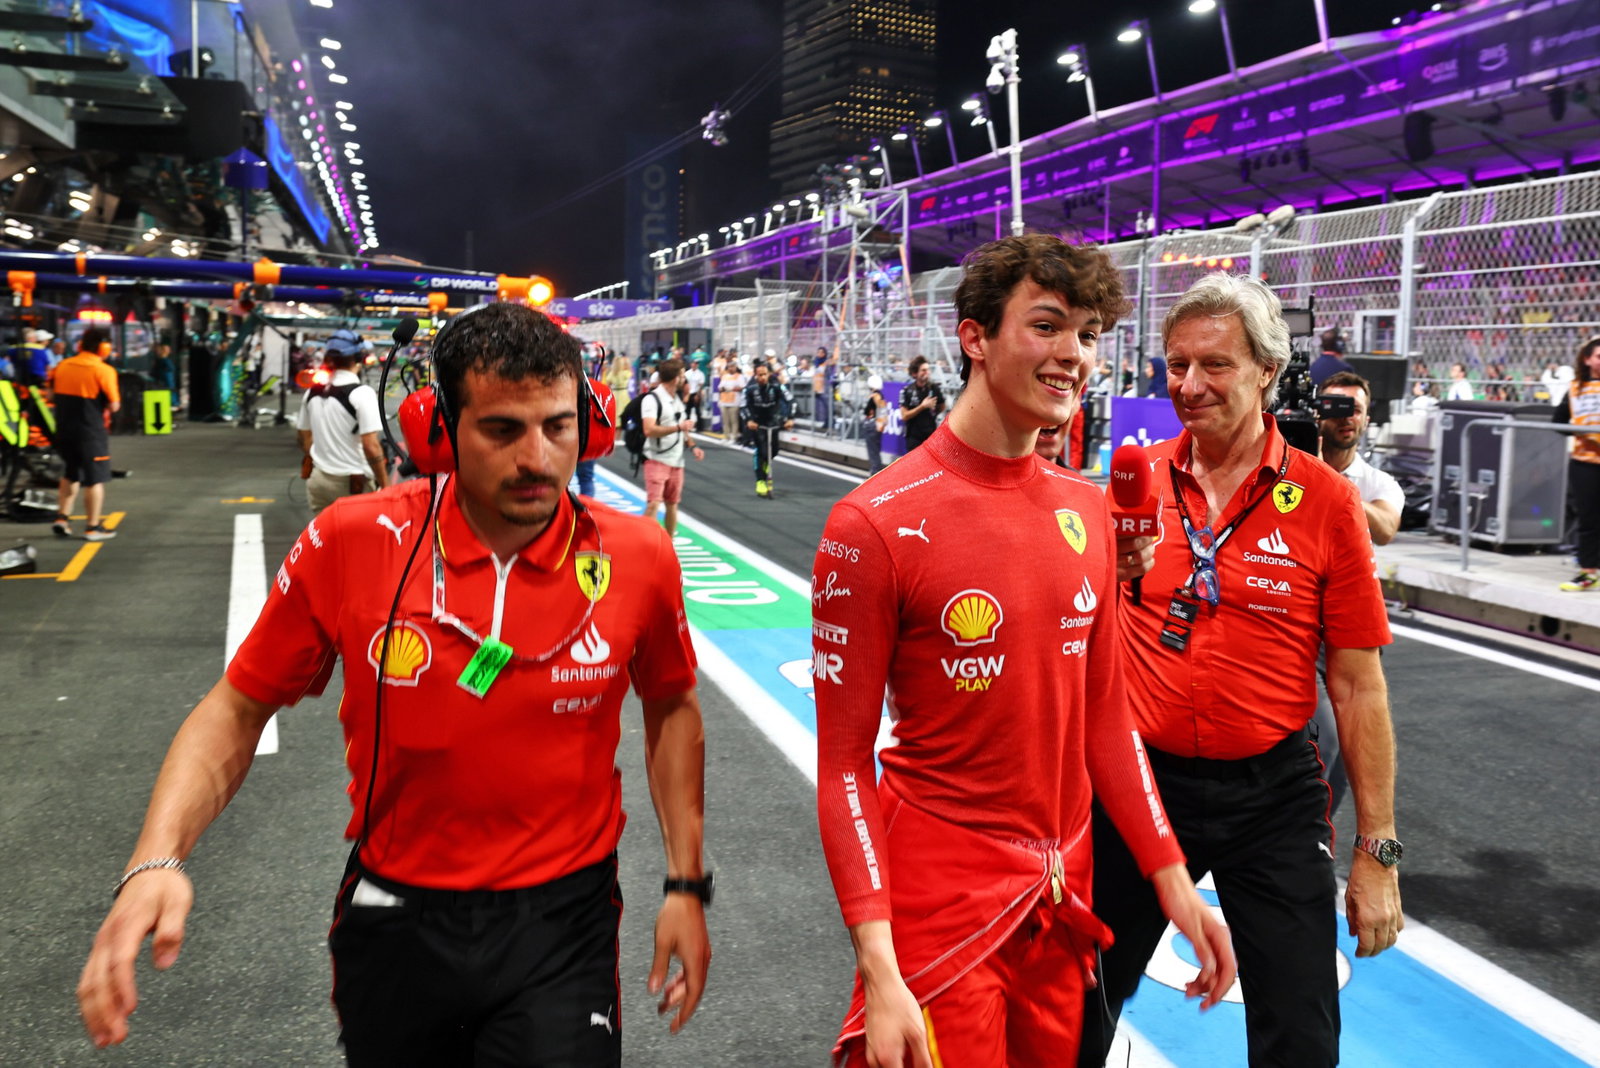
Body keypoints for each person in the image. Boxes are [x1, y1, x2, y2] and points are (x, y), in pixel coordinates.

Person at [76, 301, 711, 1061]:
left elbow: (672, 709)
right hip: (396, 916)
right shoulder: (353, 539)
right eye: (503, 429)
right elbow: (237, 708)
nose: (538, 458)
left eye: (559, 426)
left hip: (562, 921)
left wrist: (685, 885)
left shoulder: (640, 557)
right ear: (439, 430)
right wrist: (156, 858)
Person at [814, 234, 1234, 1068]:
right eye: (1046, 327)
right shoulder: (871, 524)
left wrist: (1171, 880)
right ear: (975, 338)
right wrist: (879, 964)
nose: (1072, 355)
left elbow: (1105, 720)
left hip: (1062, 903)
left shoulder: (1087, 516)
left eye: (1084, 333)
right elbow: (845, 770)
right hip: (940, 911)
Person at [1079, 272, 1402, 1068]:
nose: (1189, 386)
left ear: (1266, 369)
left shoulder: (1327, 502)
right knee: (1077, 1011)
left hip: (1274, 795)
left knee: (1300, 1034)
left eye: (1214, 365)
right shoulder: (1131, 483)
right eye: (1176, 365)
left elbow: (1358, 684)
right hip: (1140, 783)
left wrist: (1379, 851)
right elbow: (1071, 642)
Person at [296, 329, 388, 514]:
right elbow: (371, 446)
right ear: (358, 358)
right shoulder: (362, 394)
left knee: (324, 540)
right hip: (352, 484)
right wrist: (386, 486)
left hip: (319, 480)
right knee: (357, 540)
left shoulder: (312, 393)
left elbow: (304, 436)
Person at [50, 326, 121, 542]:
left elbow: (51, 394)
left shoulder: (62, 365)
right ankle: (93, 527)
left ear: (80, 345)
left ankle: (62, 518)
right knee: (94, 479)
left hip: (63, 429)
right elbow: (114, 405)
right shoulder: (103, 370)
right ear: (104, 348)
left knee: (71, 472)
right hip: (90, 431)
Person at [1555, 335, 1600, 592]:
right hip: (1586, 462)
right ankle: (1588, 572)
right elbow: (1558, 422)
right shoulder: (1575, 388)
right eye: (1599, 357)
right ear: (1587, 359)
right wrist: (1584, 432)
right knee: (1589, 519)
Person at [641, 357, 705, 537]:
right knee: (654, 503)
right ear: (676, 378)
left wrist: (692, 446)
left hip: (677, 460)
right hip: (656, 458)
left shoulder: (676, 399)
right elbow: (649, 429)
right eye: (682, 375)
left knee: (672, 503)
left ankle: (669, 544)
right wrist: (678, 427)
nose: (684, 379)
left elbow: (682, 426)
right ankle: (644, 543)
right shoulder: (652, 399)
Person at [741, 360, 791, 498]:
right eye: (759, 375)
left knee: (774, 450)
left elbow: (790, 400)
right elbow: (743, 406)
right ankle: (760, 480)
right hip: (757, 424)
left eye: (764, 374)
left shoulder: (777, 386)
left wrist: (789, 418)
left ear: (769, 374)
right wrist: (749, 420)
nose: (762, 377)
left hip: (773, 422)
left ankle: (765, 465)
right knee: (761, 451)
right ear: (755, 375)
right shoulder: (749, 388)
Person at [898, 355, 944, 453]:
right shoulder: (907, 391)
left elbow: (942, 406)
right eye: (923, 370)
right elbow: (904, 416)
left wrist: (934, 410)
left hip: (930, 437)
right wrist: (922, 406)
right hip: (913, 438)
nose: (927, 373)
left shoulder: (934, 388)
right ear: (915, 373)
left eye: (928, 370)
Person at [860, 373, 886, 475]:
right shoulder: (879, 395)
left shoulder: (876, 396)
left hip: (872, 424)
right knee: (875, 451)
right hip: (875, 424)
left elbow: (881, 408)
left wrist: (877, 421)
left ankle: (875, 474)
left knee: (873, 452)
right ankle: (875, 472)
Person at [716, 354, 745, 440]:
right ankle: (726, 436)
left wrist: (731, 389)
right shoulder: (725, 376)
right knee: (725, 421)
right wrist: (722, 389)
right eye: (729, 367)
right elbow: (720, 387)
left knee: (734, 420)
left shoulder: (739, 376)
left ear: (735, 367)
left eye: (732, 367)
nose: (731, 368)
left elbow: (741, 387)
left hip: (734, 401)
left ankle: (734, 436)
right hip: (724, 401)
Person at [813, 345, 834, 432]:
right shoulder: (816, 363)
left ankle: (830, 422)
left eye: (822, 352)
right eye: (818, 352)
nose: (819, 354)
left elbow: (828, 374)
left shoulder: (826, 363)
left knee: (828, 407)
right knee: (822, 407)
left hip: (825, 388)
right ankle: (825, 421)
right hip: (817, 388)